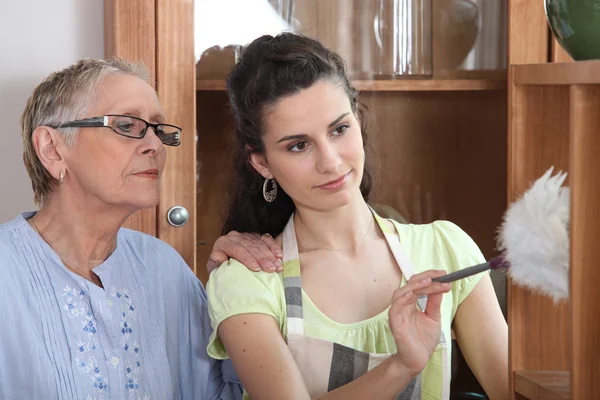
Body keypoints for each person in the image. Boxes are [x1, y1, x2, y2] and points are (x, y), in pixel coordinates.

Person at [206, 33, 509, 399]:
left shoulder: (446, 249)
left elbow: (511, 391)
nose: (330, 162)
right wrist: (401, 366)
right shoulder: (246, 281)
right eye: (299, 145)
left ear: (357, 121)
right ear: (262, 163)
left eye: (339, 129)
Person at [0, 58, 282, 400]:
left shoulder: (166, 269)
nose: (155, 146)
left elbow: (224, 392)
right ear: (52, 148)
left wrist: (232, 288)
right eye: (127, 125)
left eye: (158, 129)